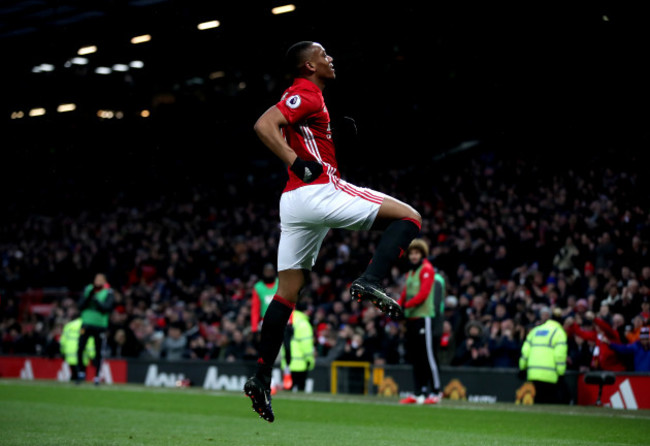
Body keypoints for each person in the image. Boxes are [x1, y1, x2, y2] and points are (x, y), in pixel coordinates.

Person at [244, 41, 421, 422]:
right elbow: (264, 125)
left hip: (293, 204)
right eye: (323, 55)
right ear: (308, 65)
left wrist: (322, 142)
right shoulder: (305, 91)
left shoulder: (312, 99)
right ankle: (370, 279)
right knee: (410, 218)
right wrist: (297, 161)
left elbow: (299, 133)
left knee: (287, 292)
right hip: (317, 190)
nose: (331, 58)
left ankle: (261, 376)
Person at [397, 239, 444, 404]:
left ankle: (436, 392)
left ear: (422, 254)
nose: (414, 256)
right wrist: (398, 306)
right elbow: (405, 293)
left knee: (428, 356)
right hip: (411, 318)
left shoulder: (427, 270)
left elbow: (423, 295)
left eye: (416, 253)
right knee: (416, 357)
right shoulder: (410, 273)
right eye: (411, 253)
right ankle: (420, 392)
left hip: (424, 318)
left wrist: (404, 306)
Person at [518, 307, 568, 404]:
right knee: (548, 406)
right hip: (550, 374)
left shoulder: (535, 331)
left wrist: (522, 367)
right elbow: (560, 355)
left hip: (533, 373)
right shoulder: (559, 333)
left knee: (537, 404)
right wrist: (561, 373)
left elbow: (525, 351)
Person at [77, 273, 115, 384]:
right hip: (86, 324)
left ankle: (97, 377)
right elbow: (80, 305)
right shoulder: (88, 290)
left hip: (100, 326)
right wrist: (89, 297)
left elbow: (107, 308)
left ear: (105, 281)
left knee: (98, 352)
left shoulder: (108, 292)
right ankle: (81, 373)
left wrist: (96, 300)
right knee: (80, 348)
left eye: (100, 279)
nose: (97, 281)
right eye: (96, 279)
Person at [279, 302, 315, 391]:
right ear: (305, 311)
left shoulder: (287, 319)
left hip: (286, 363)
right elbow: (306, 345)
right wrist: (310, 360)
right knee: (300, 391)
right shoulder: (304, 324)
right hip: (300, 364)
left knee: (287, 392)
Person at [60, 317, 95, 381]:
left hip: (70, 352)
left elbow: (63, 341)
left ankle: (74, 380)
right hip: (82, 354)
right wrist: (92, 355)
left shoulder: (69, 326)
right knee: (81, 373)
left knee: (74, 373)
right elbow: (90, 341)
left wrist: (62, 351)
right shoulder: (86, 325)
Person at [250, 263, 279, 334]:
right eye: (266, 271)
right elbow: (255, 308)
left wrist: (290, 320)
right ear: (263, 273)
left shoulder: (281, 283)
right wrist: (254, 327)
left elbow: (288, 302)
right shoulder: (258, 287)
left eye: (270, 271)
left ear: (274, 272)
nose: (268, 273)